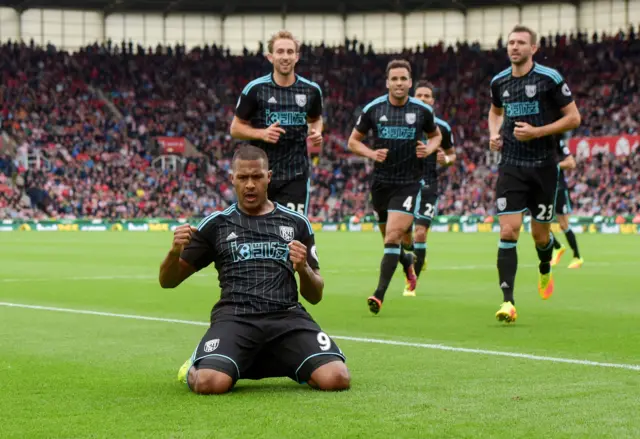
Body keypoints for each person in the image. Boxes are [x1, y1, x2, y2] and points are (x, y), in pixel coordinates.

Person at [159, 145, 350, 394]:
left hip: (287, 317)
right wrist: (174, 252)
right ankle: (196, 364)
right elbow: (168, 281)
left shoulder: (296, 223)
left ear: (268, 177)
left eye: (257, 177)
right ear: (232, 179)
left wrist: (303, 268)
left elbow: (316, 295)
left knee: (337, 378)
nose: (250, 184)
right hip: (236, 318)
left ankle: (278, 360)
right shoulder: (217, 224)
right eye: (243, 177)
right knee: (209, 383)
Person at [489, 25, 581, 323]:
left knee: (541, 236)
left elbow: (574, 118)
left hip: (543, 166)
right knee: (508, 231)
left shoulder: (549, 78)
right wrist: (494, 133)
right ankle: (508, 302)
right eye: (511, 42)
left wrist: (538, 132)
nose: (514, 47)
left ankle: (545, 267)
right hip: (511, 164)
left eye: (521, 43)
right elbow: (494, 111)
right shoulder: (499, 81)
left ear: (534, 48)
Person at [348, 59, 442, 315]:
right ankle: (408, 264)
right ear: (387, 82)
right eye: (395, 79)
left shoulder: (422, 110)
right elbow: (353, 141)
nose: (399, 84)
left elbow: (436, 136)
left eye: (404, 79)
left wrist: (430, 149)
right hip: (380, 184)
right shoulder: (374, 109)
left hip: (408, 184)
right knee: (390, 243)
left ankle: (378, 295)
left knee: (392, 237)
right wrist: (371, 153)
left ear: (410, 83)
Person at [230, 30, 323, 216]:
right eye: (280, 52)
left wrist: (316, 131)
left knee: (291, 233)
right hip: (259, 174)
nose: (285, 56)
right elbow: (235, 128)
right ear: (270, 57)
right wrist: (261, 134)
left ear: (297, 57)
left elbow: (315, 119)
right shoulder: (255, 89)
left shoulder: (311, 90)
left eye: (290, 52)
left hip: (295, 174)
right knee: (257, 233)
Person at [401, 80, 456, 296]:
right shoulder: (402, 121)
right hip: (404, 185)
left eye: (427, 96)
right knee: (405, 237)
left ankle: (411, 283)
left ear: (433, 101)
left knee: (421, 233)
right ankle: (416, 257)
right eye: (419, 95)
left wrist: (446, 159)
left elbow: (453, 155)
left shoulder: (442, 127)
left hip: (428, 185)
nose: (423, 99)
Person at [550, 140, 584, 268]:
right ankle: (557, 247)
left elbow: (571, 163)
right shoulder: (536, 142)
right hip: (543, 188)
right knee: (538, 223)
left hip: (558, 189)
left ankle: (577, 257)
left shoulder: (558, 142)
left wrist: (555, 165)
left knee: (564, 224)